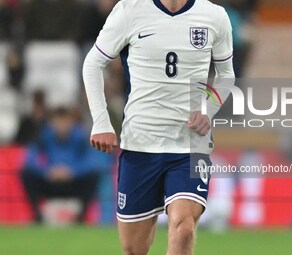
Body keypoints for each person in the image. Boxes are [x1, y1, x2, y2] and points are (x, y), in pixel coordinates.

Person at [83, 0, 234, 254]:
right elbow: (92, 64)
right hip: (140, 143)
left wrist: (208, 110)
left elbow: (226, 75)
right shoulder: (129, 10)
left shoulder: (214, 15)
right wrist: (101, 122)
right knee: (134, 248)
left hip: (190, 144)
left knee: (183, 228)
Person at [20, 107, 99, 223]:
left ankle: (81, 217)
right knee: (26, 174)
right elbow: (30, 159)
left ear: (71, 122)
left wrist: (72, 171)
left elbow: (91, 161)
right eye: (58, 122)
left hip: (73, 181)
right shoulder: (43, 136)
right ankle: (37, 216)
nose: (61, 126)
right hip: (50, 180)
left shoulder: (81, 136)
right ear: (52, 123)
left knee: (93, 176)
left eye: (65, 122)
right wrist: (47, 171)